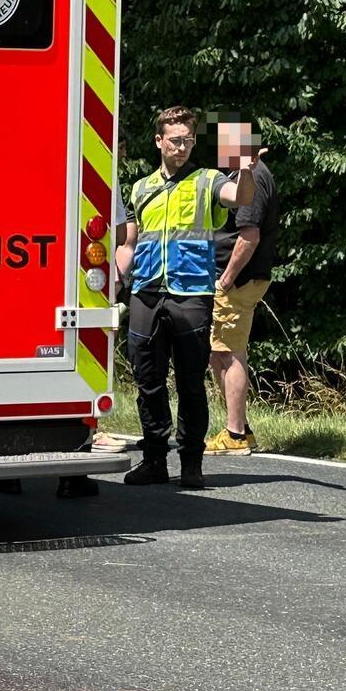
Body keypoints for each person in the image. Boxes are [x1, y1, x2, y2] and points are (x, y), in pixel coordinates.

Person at [91, 106, 263, 489]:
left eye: (188, 140)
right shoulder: (141, 187)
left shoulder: (208, 180)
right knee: (147, 380)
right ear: (159, 141)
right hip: (147, 293)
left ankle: (191, 463)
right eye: (175, 140)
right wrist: (116, 279)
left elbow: (239, 196)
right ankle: (154, 459)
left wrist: (247, 167)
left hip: (192, 295)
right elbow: (129, 240)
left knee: (189, 382)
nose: (183, 147)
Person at [207, 119, 278, 455]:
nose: (222, 151)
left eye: (226, 144)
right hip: (243, 279)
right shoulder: (248, 175)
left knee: (227, 353)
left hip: (238, 280)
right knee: (219, 351)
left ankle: (234, 434)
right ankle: (241, 429)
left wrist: (226, 278)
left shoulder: (252, 177)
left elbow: (249, 236)